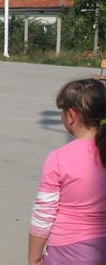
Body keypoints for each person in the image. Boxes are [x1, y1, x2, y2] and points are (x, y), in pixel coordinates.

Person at [28, 79, 106, 265]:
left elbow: (44, 214)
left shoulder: (59, 158)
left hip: (68, 251)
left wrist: (34, 257)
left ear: (71, 115)